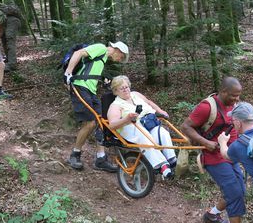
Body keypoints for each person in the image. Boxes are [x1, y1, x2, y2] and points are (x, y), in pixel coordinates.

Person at [181, 77, 253, 223]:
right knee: (234, 192)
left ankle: (212, 214)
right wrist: (205, 142)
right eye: (233, 96)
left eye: (239, 96)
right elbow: (186, 126)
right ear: (223, 92)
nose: (236, 100)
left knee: (240, 191)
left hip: (230, 155)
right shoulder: (207, 107)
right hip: (213, 156)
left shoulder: (234, 105)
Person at [63, 41, 129, 172]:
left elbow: (89, 71)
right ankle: (75, 155)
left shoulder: (103, 58)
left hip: (91, 91)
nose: (119, 60)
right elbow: (78, 53)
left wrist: (103, 80)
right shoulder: (100, 48)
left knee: (101, 123)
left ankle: (101, 159)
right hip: (80, 87)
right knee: (90, 123)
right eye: (121, 57)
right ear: (118, 50)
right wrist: (68, 73)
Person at [106, 76, 176, 179]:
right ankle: (161, 166)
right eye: (122, 88)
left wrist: (160, 111)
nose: (126, 89)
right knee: (144, 137)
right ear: (116, 91)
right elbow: (112, 124)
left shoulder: (136, 95)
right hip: (130, 127)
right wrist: (126, 119)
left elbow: (149, 102)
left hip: (148, 122)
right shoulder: (116, 105)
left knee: (162, 132)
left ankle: (171, 160)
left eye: (126, 87)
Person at [0, 4, 21, 71]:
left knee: (10, 41)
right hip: (5, 23)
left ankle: (12, 65)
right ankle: (8, 59)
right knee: (4, 40)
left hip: (12, 21)